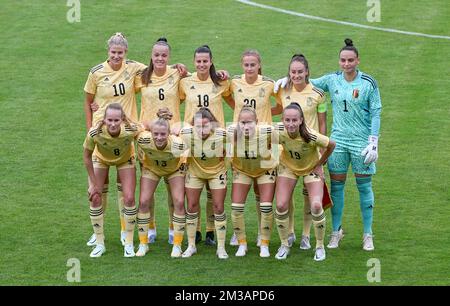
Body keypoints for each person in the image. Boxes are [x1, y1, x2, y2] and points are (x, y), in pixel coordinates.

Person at [275, 38, 382, 251]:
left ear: (357, 60)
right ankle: (336, 232)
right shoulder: (332, 80)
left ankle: (367, 234)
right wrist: (285, 79)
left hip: (361, 142)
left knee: (364, 187)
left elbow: (377, 111)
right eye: (343, 60)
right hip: (339, 141)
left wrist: (374, 141)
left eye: (350, 60)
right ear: (339, 61)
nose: (346, 64)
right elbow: (307, 81)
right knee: (337, 187)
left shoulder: (368, 83)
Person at [84, 32, 146, 247]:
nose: (117, 56)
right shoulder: (96, 72)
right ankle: (98, 232)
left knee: (125, 187)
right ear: (108, 52)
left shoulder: (133, 68)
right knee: (98, 188)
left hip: (125, 134)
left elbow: (155, 70)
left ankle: (124, 230)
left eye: (120, 52)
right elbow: (88, 101)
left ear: (125, 52)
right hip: (102, 132)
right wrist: (90, 127)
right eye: (113, 52)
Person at [135, 37, 188, 245]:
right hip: (149, 138)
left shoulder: (177, 74)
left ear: (169, 57)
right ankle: (150, 226)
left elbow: (193, 89)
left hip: (173, 136)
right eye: (156, 55)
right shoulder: (141, 76)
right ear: (151, 55)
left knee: (173, 188)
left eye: (164, 55)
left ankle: (173, 227)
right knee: (149, 185)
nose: (160, 58)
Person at [179, 45, 233, 246]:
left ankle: (211, 230)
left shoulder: (221, 82)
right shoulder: (184, 82)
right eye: (198, 61)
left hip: (216, 140)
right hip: (192, 140)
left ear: (211, 61)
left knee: (213, 189)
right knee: (192, 188)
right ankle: (197, 231)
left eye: (205, 61)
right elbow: (175, 100)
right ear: (194, 62)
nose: (202, 64)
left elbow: (232, 100)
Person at [224, 49, 279, 248]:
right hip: (241, 139)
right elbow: (226, 95)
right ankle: (239, 233)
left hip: (263, 140)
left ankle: (260, 232)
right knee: (241, 181)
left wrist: (266, 113)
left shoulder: (269, 84)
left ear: (259, 65)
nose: (249, 68)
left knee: (260, 189)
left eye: (253, 65)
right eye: (246, 65)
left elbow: (282, 104)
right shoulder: (235, 82)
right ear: (242, 65)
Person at [273, 54, 328, 250]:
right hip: (287, 151)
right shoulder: (282, 90)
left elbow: (322, 124)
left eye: (300, 72)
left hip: (311, 151)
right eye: (293, 72)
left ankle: (306, 235)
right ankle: (289, 233)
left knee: (308, 196)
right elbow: (275, 109)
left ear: (307, 72)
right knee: (285, 197)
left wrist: (321, 155)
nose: (296, 75)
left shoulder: (318, 94)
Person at [273, 103, 335, 261]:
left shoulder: (311, 135)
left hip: (310, 169)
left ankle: (320, 246)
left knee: (316, 205)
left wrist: (320, 164)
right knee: (280, 205)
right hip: (288, 168)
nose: (291, 124)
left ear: (301, 120)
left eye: (294, 120)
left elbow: (331, 145)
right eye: (287, 120)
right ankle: (284, 244)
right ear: (282, 120)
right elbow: (265, 139)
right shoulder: (277, 131)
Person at [83, 103, 141, 258]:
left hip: (125, 160)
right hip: (101, 159)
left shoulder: (130, 129)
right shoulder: (95, 132)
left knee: (129, 198)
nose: (113, 124)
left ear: (122, 119)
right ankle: (100, 243)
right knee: (95, 197)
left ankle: (128, 243)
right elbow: (86, 157)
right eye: (110, 120)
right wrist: (93, 184)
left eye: (117, 120)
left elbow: (145, 129)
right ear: (104, 119)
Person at [136, 112, 188, 258]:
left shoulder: (179, 144)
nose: (159, 138)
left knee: (178, 201)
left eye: (163, 134)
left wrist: (181, 128)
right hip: (152, 168)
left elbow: (192, 131)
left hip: (175, 168)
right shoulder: (143, 139)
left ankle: (177, 245)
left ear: (169, 133)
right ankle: (143, 244)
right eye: (156, 134)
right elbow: (135, 128)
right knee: (144, 201)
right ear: (150, 133)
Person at [180, 108, 229, 259]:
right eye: (198, 126)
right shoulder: (187, 133)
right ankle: (191, 246)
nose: (202, 129)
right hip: (195, 172)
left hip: (216, 172)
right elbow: (175, 129)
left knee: (218, 207)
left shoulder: (222, 135)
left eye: (205, 125)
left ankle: (221, 248)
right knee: (192, 206)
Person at [228, 107, 277, 257]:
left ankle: (264, 243)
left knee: (266, 207)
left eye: (249, 122)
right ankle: (242, 244)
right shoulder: (231, 132)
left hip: (264, 170)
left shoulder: (267, 131)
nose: (246, 126)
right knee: (236, 208)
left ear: (256, 122)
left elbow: (283, 140)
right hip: (243, 170)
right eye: (242, 122)